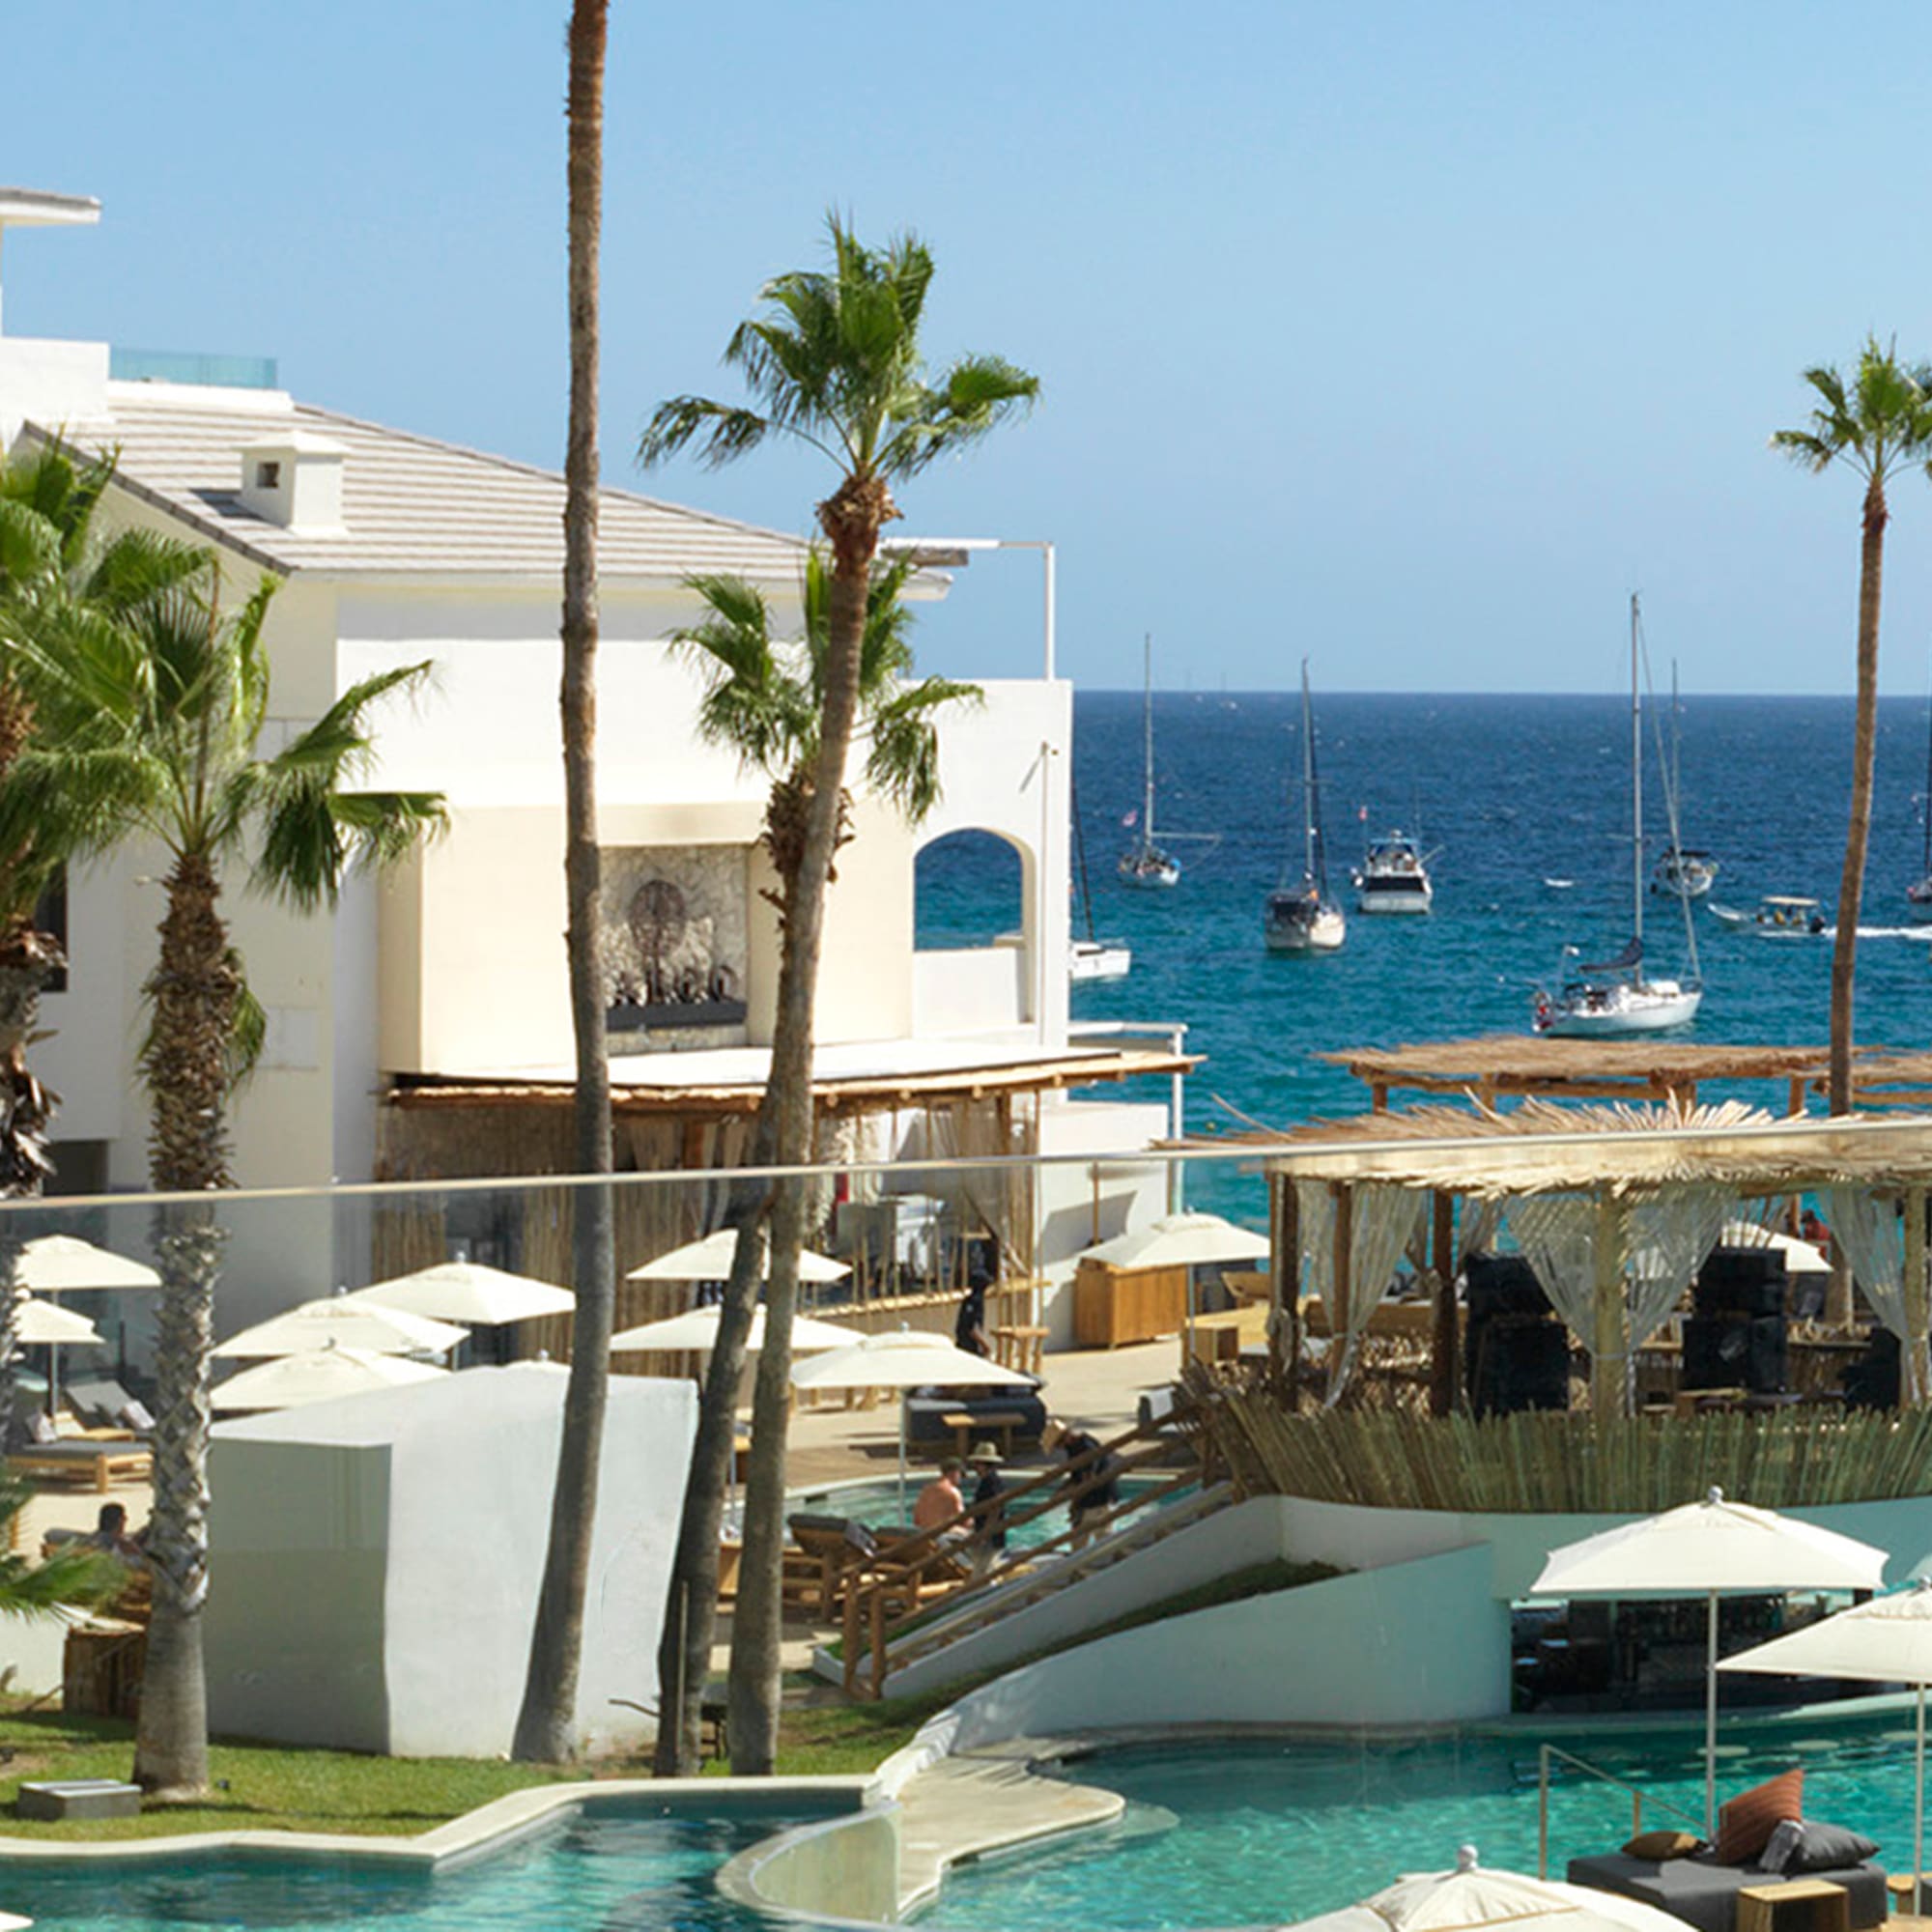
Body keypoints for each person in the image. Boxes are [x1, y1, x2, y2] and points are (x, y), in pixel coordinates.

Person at [1045, 1419, 1122, 1551]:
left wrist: (1073, 1501)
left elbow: (1087, 1479)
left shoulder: (1086, 1448)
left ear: (1065, 1438)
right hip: (1089, 1500)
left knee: (1102, 1542)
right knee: (1080, 1542)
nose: (1060, 1448)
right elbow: (1076, 1477)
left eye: (1059, 1445)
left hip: (1099, 1499)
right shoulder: (1075, 1447)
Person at [965, 1440, 1009, 1577]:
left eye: (977, 1464)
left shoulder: (991, 1482)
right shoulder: (989, 1481)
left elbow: (995, 1508)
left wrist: (984, 1534)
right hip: (988, 1533)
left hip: (989, 1536)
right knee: (985, 1570)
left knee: (983, 1572)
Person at [914, 1458, 967, 1534]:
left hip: (924, 1536)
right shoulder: (953, 1492)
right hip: (944, 1537)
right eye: (961, 1474)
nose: (961, 1478)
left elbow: (916, 1520)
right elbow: (963, 1520)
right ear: (955, 1473)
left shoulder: (926, 1491)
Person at [954, 1275, 990, 1358]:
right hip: (971, 1348)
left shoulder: (967, 1300)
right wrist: (985, 1346)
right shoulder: (977, 1301)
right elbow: (973, 1329)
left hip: (961, 1345)